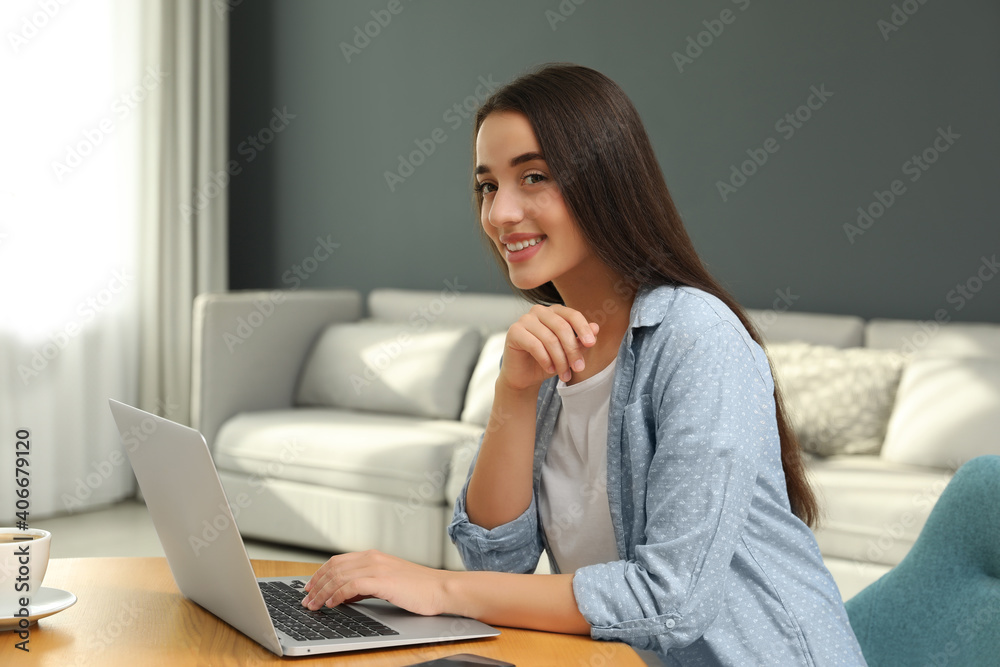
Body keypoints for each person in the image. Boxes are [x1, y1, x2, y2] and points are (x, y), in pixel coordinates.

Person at [303, 63, 866, 665]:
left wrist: (437, 587)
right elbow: (498, 562)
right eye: (488, 185)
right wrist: (514, 390)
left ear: (606, 181)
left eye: (534, 176)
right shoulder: (550, 346)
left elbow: (668, 600)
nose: (499, 214)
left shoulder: (695, 338)